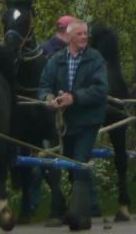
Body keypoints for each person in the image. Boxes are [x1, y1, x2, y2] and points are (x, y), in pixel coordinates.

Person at [39, 17, 109, 228]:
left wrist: (74, 98)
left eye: (86, 34)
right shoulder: (56, 60)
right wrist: (48, 98)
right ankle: (83, 207)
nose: (84, 37)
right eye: (80, 34)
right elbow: (43, 84)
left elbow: (100, 89)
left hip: (88, 120)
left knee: (79, 161)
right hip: (66, 122)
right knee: (70, 163)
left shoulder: (96, 59)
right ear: (69, 37)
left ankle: (80, 217)